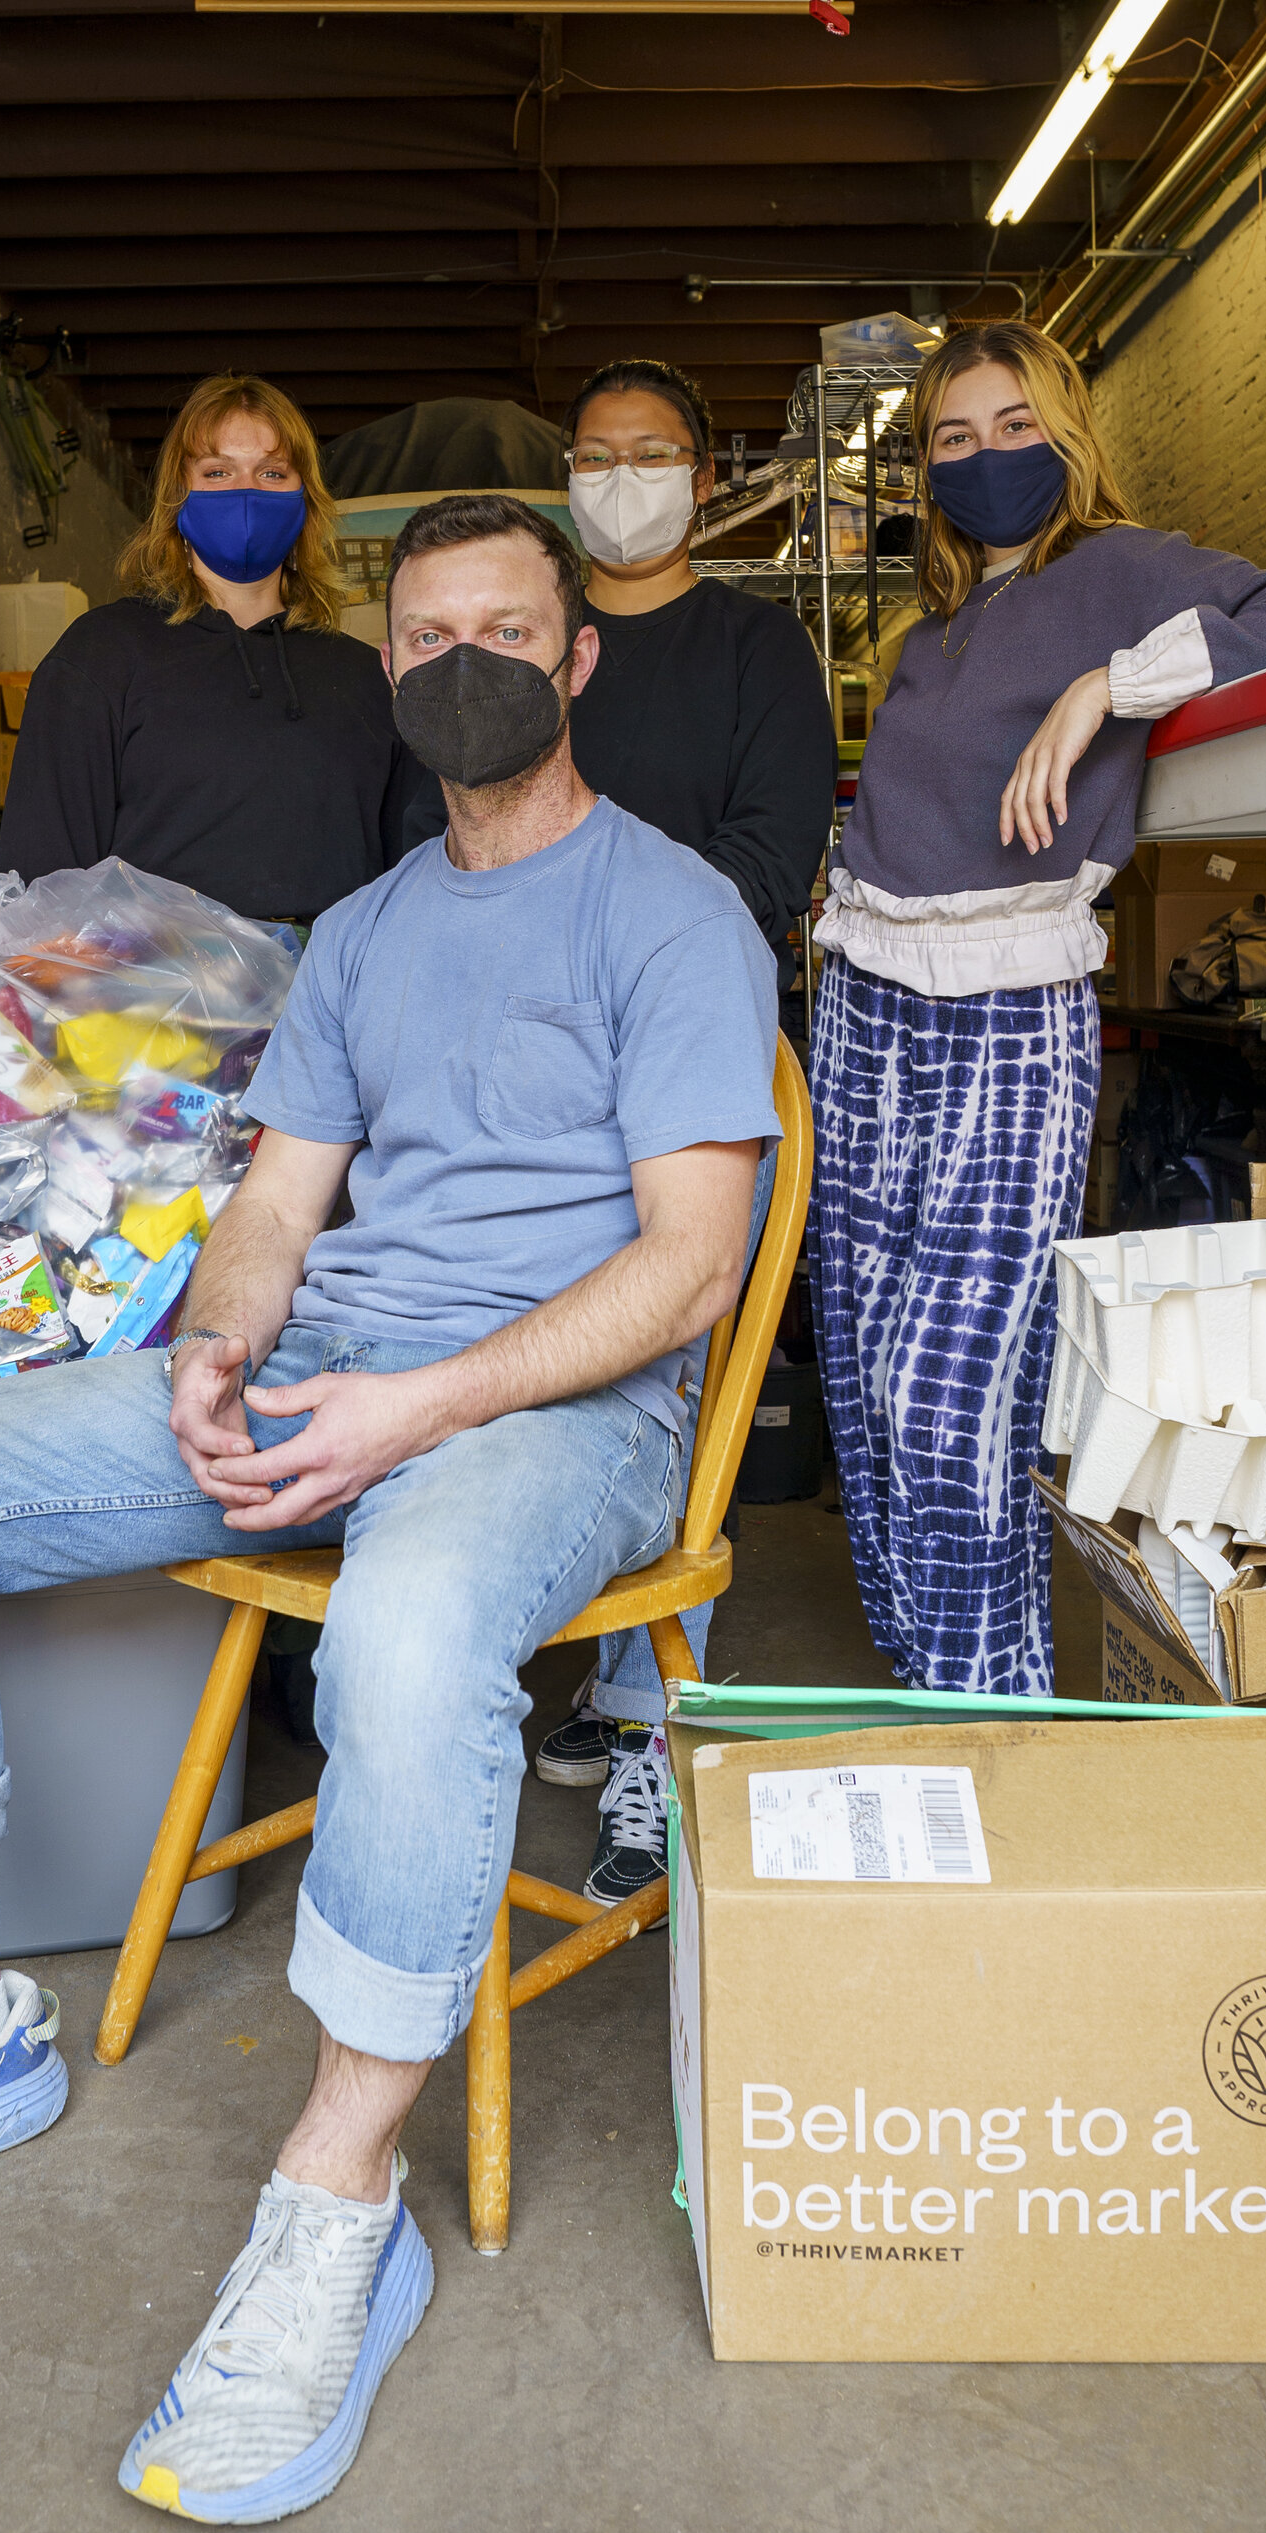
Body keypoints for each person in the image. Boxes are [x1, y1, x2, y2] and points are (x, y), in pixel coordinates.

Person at [0, 494, 779, 2530]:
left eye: (503, 634)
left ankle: (337, 2198)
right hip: (322, 1380)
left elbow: (692, 1265)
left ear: (577, 658)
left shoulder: (671, 915)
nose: (463, 670)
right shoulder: (356, 939)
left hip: (555, 1413)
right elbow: (272, 1207)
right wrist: (218, 1345)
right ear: (389, 669)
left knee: (410, 1636)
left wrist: (407, 1411)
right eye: (424, 638)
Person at [811, 317, 1266, 1696]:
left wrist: (1108, 685)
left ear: (1065, 433)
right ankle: (922, 1673)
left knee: (954, 1397)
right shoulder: (926, 631)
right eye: (952, 437)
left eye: (1013, 426)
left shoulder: (1121, 570)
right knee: (868, 1381)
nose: (985, 456)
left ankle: (994, 1707)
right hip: (867, 996)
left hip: (1012, 1002)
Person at [521, 358, 835, 1876]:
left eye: (654, 452)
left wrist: (587, 944)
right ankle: (614, 1660)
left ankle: (654, 1718)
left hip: (695, 1064)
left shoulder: (754, 651)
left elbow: (774, 859)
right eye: (595, 452)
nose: (623, 475)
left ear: (707, 479)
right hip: (528, 1077)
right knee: (557, 1364)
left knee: (686, 1375)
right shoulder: (532, 650)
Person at [0, 373, 404, 923]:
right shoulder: (101, 656)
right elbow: (41, 886)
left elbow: (412, 884)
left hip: (328, 1001)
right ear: (176, 496)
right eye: (217, 472)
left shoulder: (372, 680)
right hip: (154, 1001)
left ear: (305, 500)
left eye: (272, 473)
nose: (246, 493)